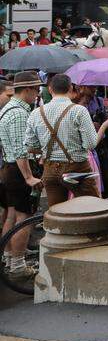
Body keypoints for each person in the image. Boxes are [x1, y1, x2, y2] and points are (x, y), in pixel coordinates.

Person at [25, 74, 106, 206]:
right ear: (70, 88)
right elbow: (90, 144)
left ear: (50, 89)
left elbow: (30, 146)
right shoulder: (79, 111)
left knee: (57, 213)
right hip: (77, 167)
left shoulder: (36, 113)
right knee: (93, 208)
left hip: (50, 168)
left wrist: (48, 148)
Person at [1, 73, 42, 278]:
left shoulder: (9, 108)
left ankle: (9, 257)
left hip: (10, 169)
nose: (37, 94)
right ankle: (17, 264)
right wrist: (28, 177)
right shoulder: (18, 113)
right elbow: (20, 151)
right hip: (17, 171)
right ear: (27, 90)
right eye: (36, 90)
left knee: (12, 215)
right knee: (23, 218)